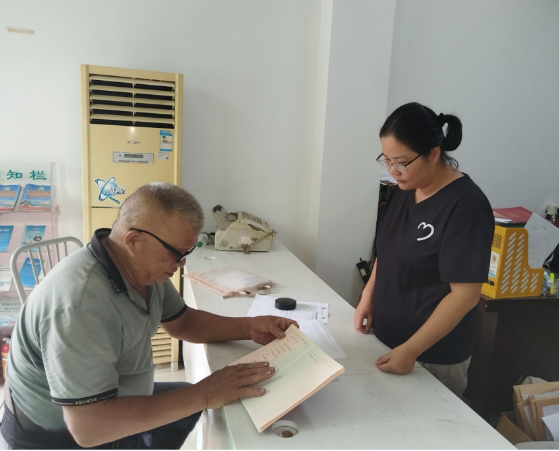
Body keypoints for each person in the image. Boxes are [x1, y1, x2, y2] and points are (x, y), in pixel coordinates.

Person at [1, 182, 297, 449]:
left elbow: (184, 323)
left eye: (186, 253)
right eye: (176, 253)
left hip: (114, 397)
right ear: (133, 240)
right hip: (57, 433)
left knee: (188, 405)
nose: (180, 264)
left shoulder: (142, 269)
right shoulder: (80, 305)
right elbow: (88, 428)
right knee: (195, 399)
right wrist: (205, 393)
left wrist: (249, 327)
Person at [354, 102, 494, 398]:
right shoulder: (404, 189)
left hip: (431, 356)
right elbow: (387, 251)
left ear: (433, 153)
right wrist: (368, 296)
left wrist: (412, 349)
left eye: (402, 162)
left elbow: (465, 295)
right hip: (387, 340)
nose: (394, 171)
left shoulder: (466, 206)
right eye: (386, 160)